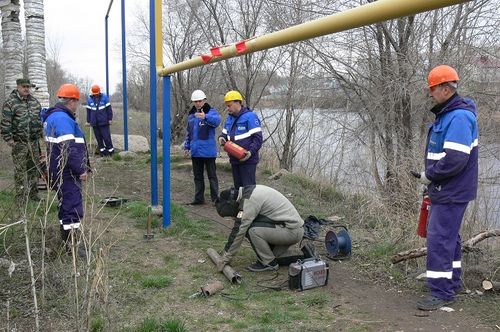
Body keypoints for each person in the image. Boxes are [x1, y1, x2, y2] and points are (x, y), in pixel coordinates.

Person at [414, 65, 479, 311]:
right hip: (447, 189)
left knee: (440, 238)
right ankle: (451, 282)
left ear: (444, 88)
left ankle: (441, 292)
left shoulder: (459, 117)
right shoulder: (451, 114)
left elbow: (455, 159)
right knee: (449, 237)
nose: (431, 93)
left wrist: (429, 176)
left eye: (432, 88)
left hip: (451, 190)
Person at [42, 83, 90, 256]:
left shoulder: (53, 116)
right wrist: (80, 170)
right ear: (72, 101)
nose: (77, 104)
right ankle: (72, 247)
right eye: (77, 101)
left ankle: (67, 242)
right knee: (72, 206)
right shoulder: (63, 119)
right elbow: (68, 147)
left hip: (59, 170)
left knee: (66, 204)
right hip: (67, 172)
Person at [215, 185, 304, 272]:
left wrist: (225, 258)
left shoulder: (249, 200)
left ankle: (268, 263)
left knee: (251, 230)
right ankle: (275, 255)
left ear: (231, 203)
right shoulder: (248, 192)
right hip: (289, 228)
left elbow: (239, 230)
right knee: (273, 254)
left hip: (291, 231)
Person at [1, 78, 43, 204]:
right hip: (19, 142)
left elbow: (39, 120)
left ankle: (33, 195)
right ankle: (21, 197)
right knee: (20, 171)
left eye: (28, 86)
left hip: (34, 142)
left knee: (34, 169)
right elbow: (5, 123)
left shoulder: (34, 102)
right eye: (24, 86)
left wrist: (41, 137)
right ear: (18, 87)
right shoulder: (11, 103)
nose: (26, 89)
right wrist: (10, 141)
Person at [218, 90, 263, 190]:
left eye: (229, 105)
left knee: (248, 188)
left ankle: (249, 206)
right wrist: (221, 138)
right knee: (238, 187)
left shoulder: (250, 117)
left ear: (237, 103)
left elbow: (258, 139)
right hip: (234, 158)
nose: (227, 108)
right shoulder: (229, 118)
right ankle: (240, 205)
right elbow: (224, 134)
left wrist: (250, 152)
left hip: (248, 160)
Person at [184, 90, 221, 205]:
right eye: (195, 101)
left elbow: (217, 121)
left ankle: (215, 199)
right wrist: (187, 146)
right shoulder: (191, 115)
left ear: (204, 100)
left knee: (212, 176)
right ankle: (199, 198)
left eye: (200, 101)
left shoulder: (211, 112)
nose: (198, 103)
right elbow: (189, 133)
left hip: (208, 151)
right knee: (198, 177)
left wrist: (206, 117)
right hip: (195, 152)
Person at [86, 84, 114, 156]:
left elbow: (109, 109)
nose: (96, 95)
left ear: (99, 92)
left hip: (104, 122)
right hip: (94, 123)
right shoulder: (89, 100)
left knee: (106, 137)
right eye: (94, 94)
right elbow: (88, 111)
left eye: (97, 93)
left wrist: (110, 119)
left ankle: (110, 151)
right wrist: (88, 121)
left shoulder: (104, 98)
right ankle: (102, 152)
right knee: (98, 138)